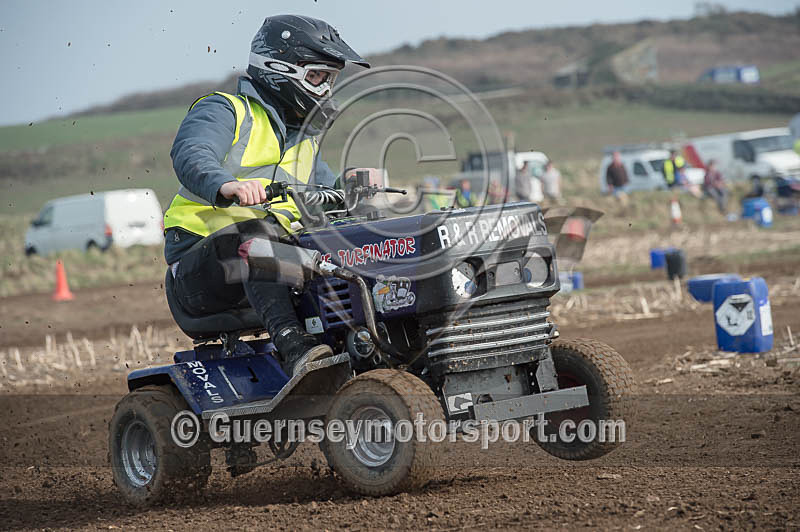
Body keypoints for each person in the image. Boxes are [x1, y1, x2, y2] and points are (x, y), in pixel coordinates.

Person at [162, 15, 369, 377]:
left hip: (276, 261)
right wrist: (227, 185)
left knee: (356, 231)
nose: (325, 90)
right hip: (201, 267)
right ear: (279, 69)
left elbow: (326, 194)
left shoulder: (305, 138)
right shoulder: (225, 109)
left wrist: (355, 191)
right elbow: (191, 153)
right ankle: (296, 348)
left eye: (331, 80)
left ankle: (373, 342)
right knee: (257, 236)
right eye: (318, 77)